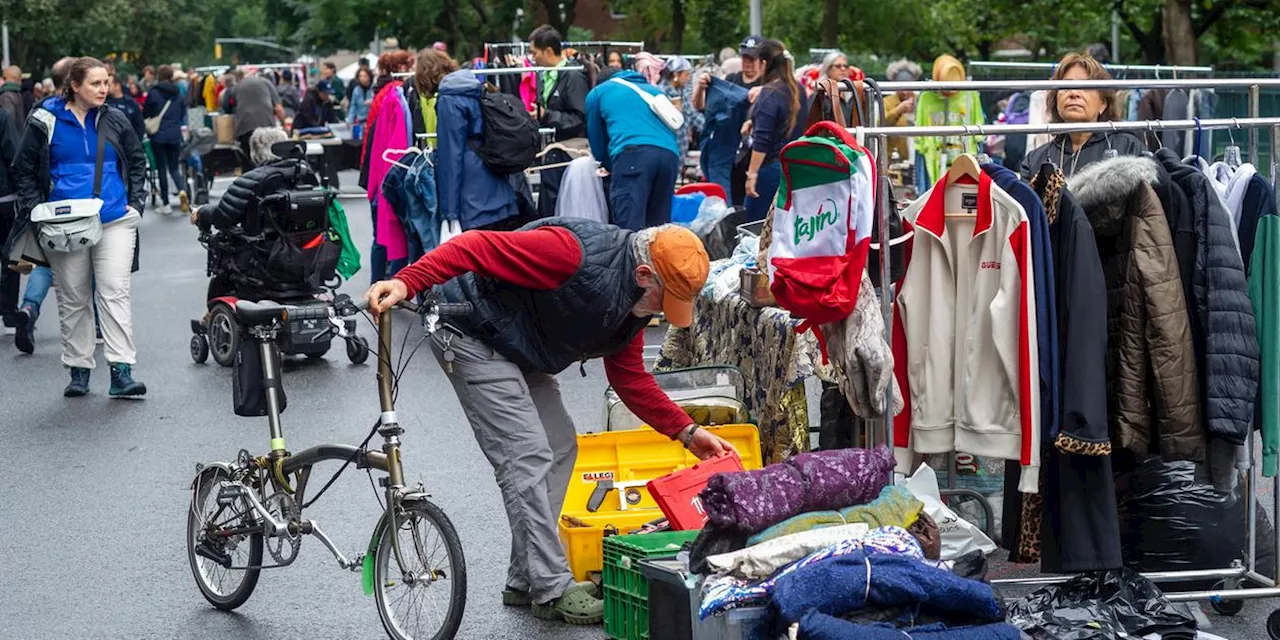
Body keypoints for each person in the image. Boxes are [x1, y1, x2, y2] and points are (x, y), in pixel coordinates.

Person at [364, 219, 734, 625]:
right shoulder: (569, 254)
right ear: (644, 274)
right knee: (526, 454)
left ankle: (524, 579)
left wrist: (688, 432)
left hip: (519, 342)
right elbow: (472, 245)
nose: (663, 314)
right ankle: (551, 587)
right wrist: (407, 282)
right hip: (469, 328)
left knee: (560, 445)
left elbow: (629, 377)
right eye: (665, 300)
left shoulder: (635, 298)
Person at [8, 57, 147, 397]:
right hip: (63, 223)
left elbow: (138, 159)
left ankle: (121, 370)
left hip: (114, 218)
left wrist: (136, 204)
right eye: (96, 83)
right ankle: (79, 368)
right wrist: (35, 209)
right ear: (74, 85)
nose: (104, 89)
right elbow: (22, 168)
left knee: (114, 291)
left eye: (106, 82)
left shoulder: (116, 119)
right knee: (73, 297)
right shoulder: (45, 120)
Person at [7, 56, 75, 354]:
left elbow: (22, 162)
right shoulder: (71, 112)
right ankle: (98, 324)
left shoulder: (39, 109)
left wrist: (34, 203)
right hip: (74, 198)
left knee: (47, 260)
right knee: (91, 261)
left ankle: (29, 309)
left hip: (47, 200)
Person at [1020, 52, 1146, 179]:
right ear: (1056, 100)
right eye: (1066, 86)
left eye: (1085, 87)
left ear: (1103, 103)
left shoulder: (1127, 148)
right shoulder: (1035, 160)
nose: (1074, 93)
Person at [586, 66, 680, 231]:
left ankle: (631, 257)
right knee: (659, 230)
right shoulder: (655, 91)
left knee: (630, 228)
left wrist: (610, 167)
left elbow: (597, 141)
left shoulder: (599, 92)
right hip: (670, 156)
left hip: (633, 155)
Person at [693, 35, 765, 205]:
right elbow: (701, 107)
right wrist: (700, 89)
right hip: (725, 152)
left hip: (752, 155)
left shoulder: (767, 85)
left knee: (750, 202)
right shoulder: (730, 80)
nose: (748, 62)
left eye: (753, 58)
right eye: (745, 57)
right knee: (724, 202)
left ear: (763, 61)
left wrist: (765, 91)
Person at [742, 40, 807, 222]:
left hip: (772, 169)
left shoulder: (769, 92)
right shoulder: (798, 90)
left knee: (756, 226)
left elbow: (763, 140)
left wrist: (752, 175)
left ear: (763, 63)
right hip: (796, 167)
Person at [529, 25, 589, 140]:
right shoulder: (543, 75)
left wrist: (546, 115)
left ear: (548, 51)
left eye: (534, 53)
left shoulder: (573, 76)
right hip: (553, 146)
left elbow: (579, 120)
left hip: (570, 149)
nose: (532, 58)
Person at [143, 65, 189, 214]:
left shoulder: (154, 92)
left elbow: (146, 112)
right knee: (174, 168)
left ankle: (166, 204)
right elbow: (182, 114)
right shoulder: (178, 93)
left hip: (158, 136)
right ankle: (182, 190)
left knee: (162, 169)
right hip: (175, 135)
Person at [224, 71, 285, 172]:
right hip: (266, 131)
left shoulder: (237, 87)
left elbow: (228, 109)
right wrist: (285, 127)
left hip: (244, 129)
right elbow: (279, 109)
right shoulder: (267, 84)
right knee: (268, 160)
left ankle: (249, 182)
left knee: (247, 163)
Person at [660, 56, 702, 166]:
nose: (688, 78)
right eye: (686, 74)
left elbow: (692, 114)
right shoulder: (660, 93)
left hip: (681, 148)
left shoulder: (682, 91)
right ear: (676, 74)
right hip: (667, 148)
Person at [882, 58, 921, 163]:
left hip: (920, 156)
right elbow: (880, 123)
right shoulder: (887, 102)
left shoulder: (921, 101)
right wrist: (898, 110)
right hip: (895, 160)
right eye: (900, 87)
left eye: (908, 87)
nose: (904, 92)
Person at [106, 75, 145, 142]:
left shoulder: (130, 102)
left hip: (129, 143)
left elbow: (139, 124)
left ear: (117, 86)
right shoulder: (104, 103)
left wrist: (137, 142)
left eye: (108, 85)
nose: (106, 87)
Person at [346, 67, 374, 140]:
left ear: (369, 77)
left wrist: (372, 103)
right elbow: (353, 106)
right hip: (360, 120)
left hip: (371, 121)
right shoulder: (356, 90)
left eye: (365, 76)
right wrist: (350, 120)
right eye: (360, 76)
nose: (362, 78)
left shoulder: (374, 88)